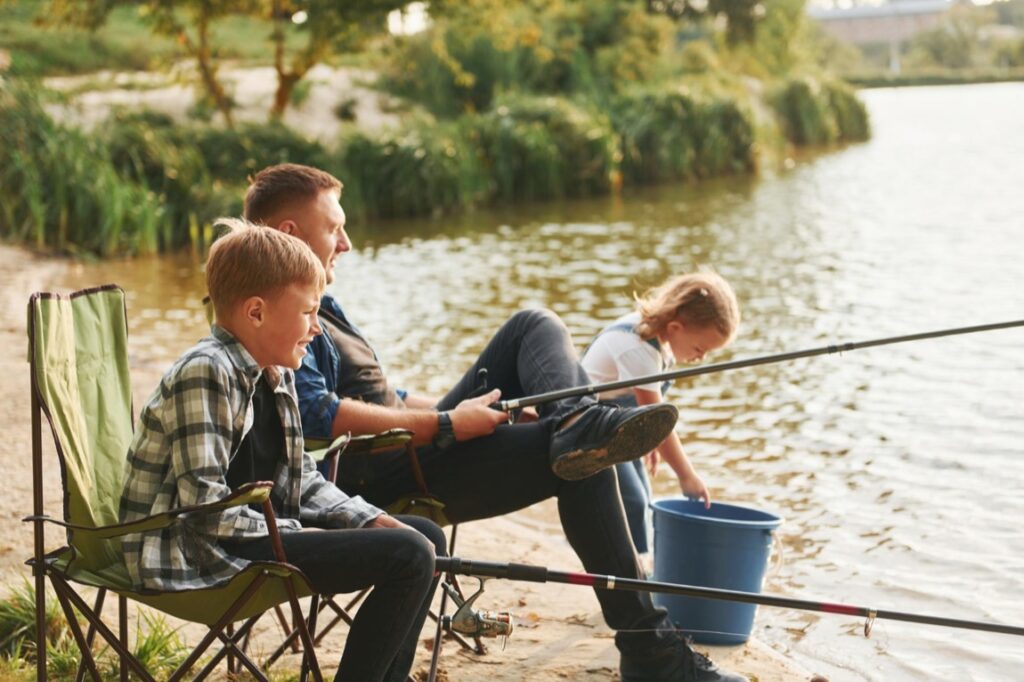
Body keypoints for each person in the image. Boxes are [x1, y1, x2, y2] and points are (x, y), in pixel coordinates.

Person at [242, 162, 748, 682]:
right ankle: (653, 652)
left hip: (407, 444)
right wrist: (445, 425)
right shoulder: (280, 317)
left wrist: (463, 412)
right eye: (335, 228)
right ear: (290, 234)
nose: (346, 243)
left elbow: (379, 395)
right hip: (379, 472)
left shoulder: (320, 304)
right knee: (575, 457)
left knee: (535, 332)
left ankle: (577, 420)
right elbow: (315, 416)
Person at [119, 220, 447, 682]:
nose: (316, 329)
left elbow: (302, 477)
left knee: (425, 537)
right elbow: (206, 507)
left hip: (253, 531)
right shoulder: (206, 371)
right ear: (256, 313)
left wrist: (363, 517)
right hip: (196, 549)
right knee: (409, 555)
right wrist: (301, 533)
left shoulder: (275, 372)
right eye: (309, 313)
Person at [581, 272, 740, 558]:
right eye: (699, 348)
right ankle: (630, 566)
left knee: (644, 495)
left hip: (618, 422)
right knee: (631, 500)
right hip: (587, 424)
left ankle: (639, 562)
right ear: (676, 326)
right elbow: (656, 417)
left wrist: (647, 437)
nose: (700, 357)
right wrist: (687, 476)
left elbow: (649, 410)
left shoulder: (660, 338)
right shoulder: (639, 345)